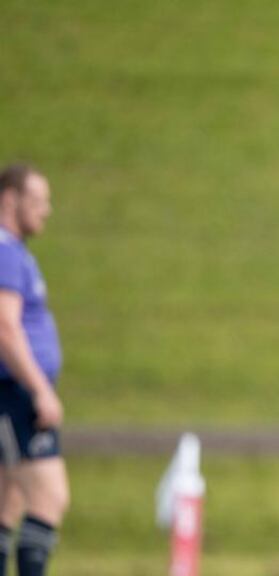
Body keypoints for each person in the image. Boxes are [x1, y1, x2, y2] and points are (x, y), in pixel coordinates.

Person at [0, 164, 69, 576]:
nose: (46, 210)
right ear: (10, 200)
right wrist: (39, 388)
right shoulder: (5, 252)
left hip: (12, 392)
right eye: (38, 201)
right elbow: (5, 327)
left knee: (7, 503)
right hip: (15, 393)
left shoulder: (13, 251)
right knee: (49, 497)